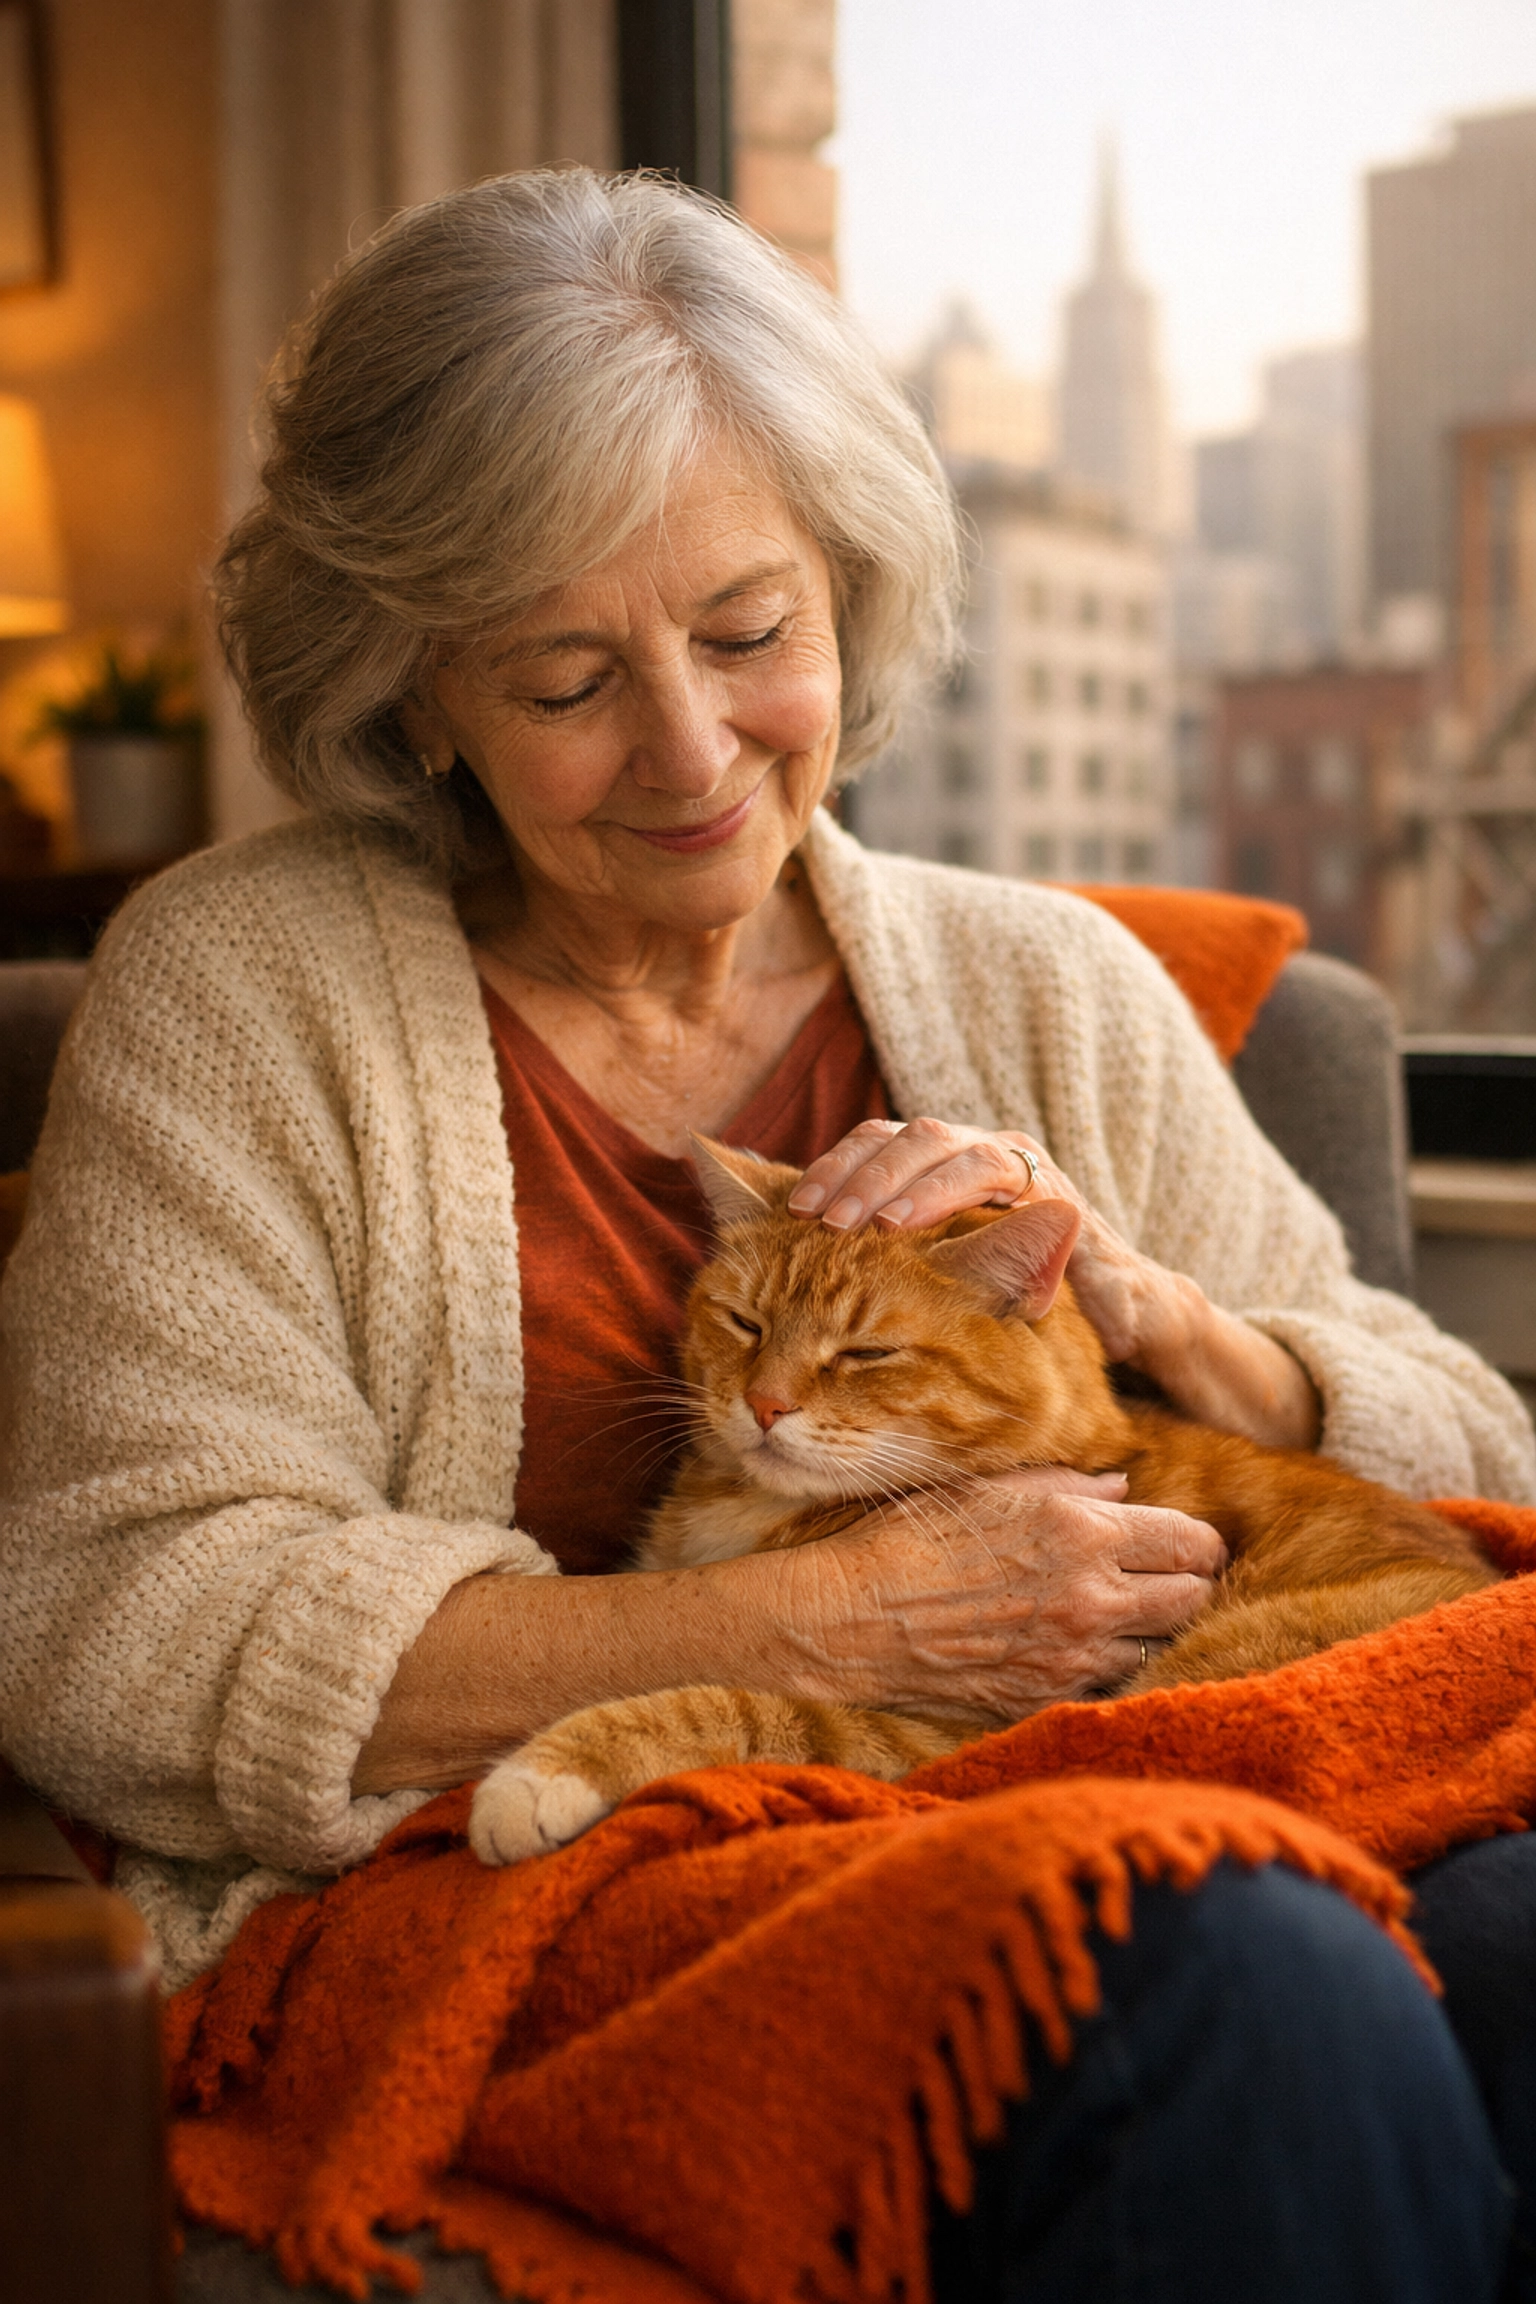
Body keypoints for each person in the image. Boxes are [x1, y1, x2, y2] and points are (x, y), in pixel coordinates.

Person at [1, 170, 1532, 2299]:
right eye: (563, 679)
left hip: (1157, 1753)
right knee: (1236, 1975)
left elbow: (1473, 1450)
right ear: (416, 685)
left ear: (849, 593)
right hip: (543, 1879)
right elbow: (110, 1624)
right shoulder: (236, 992)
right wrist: (810, 1633)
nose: (695, 752)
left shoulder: (1049, 986)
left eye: (748, 636)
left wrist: (1163, 1315)